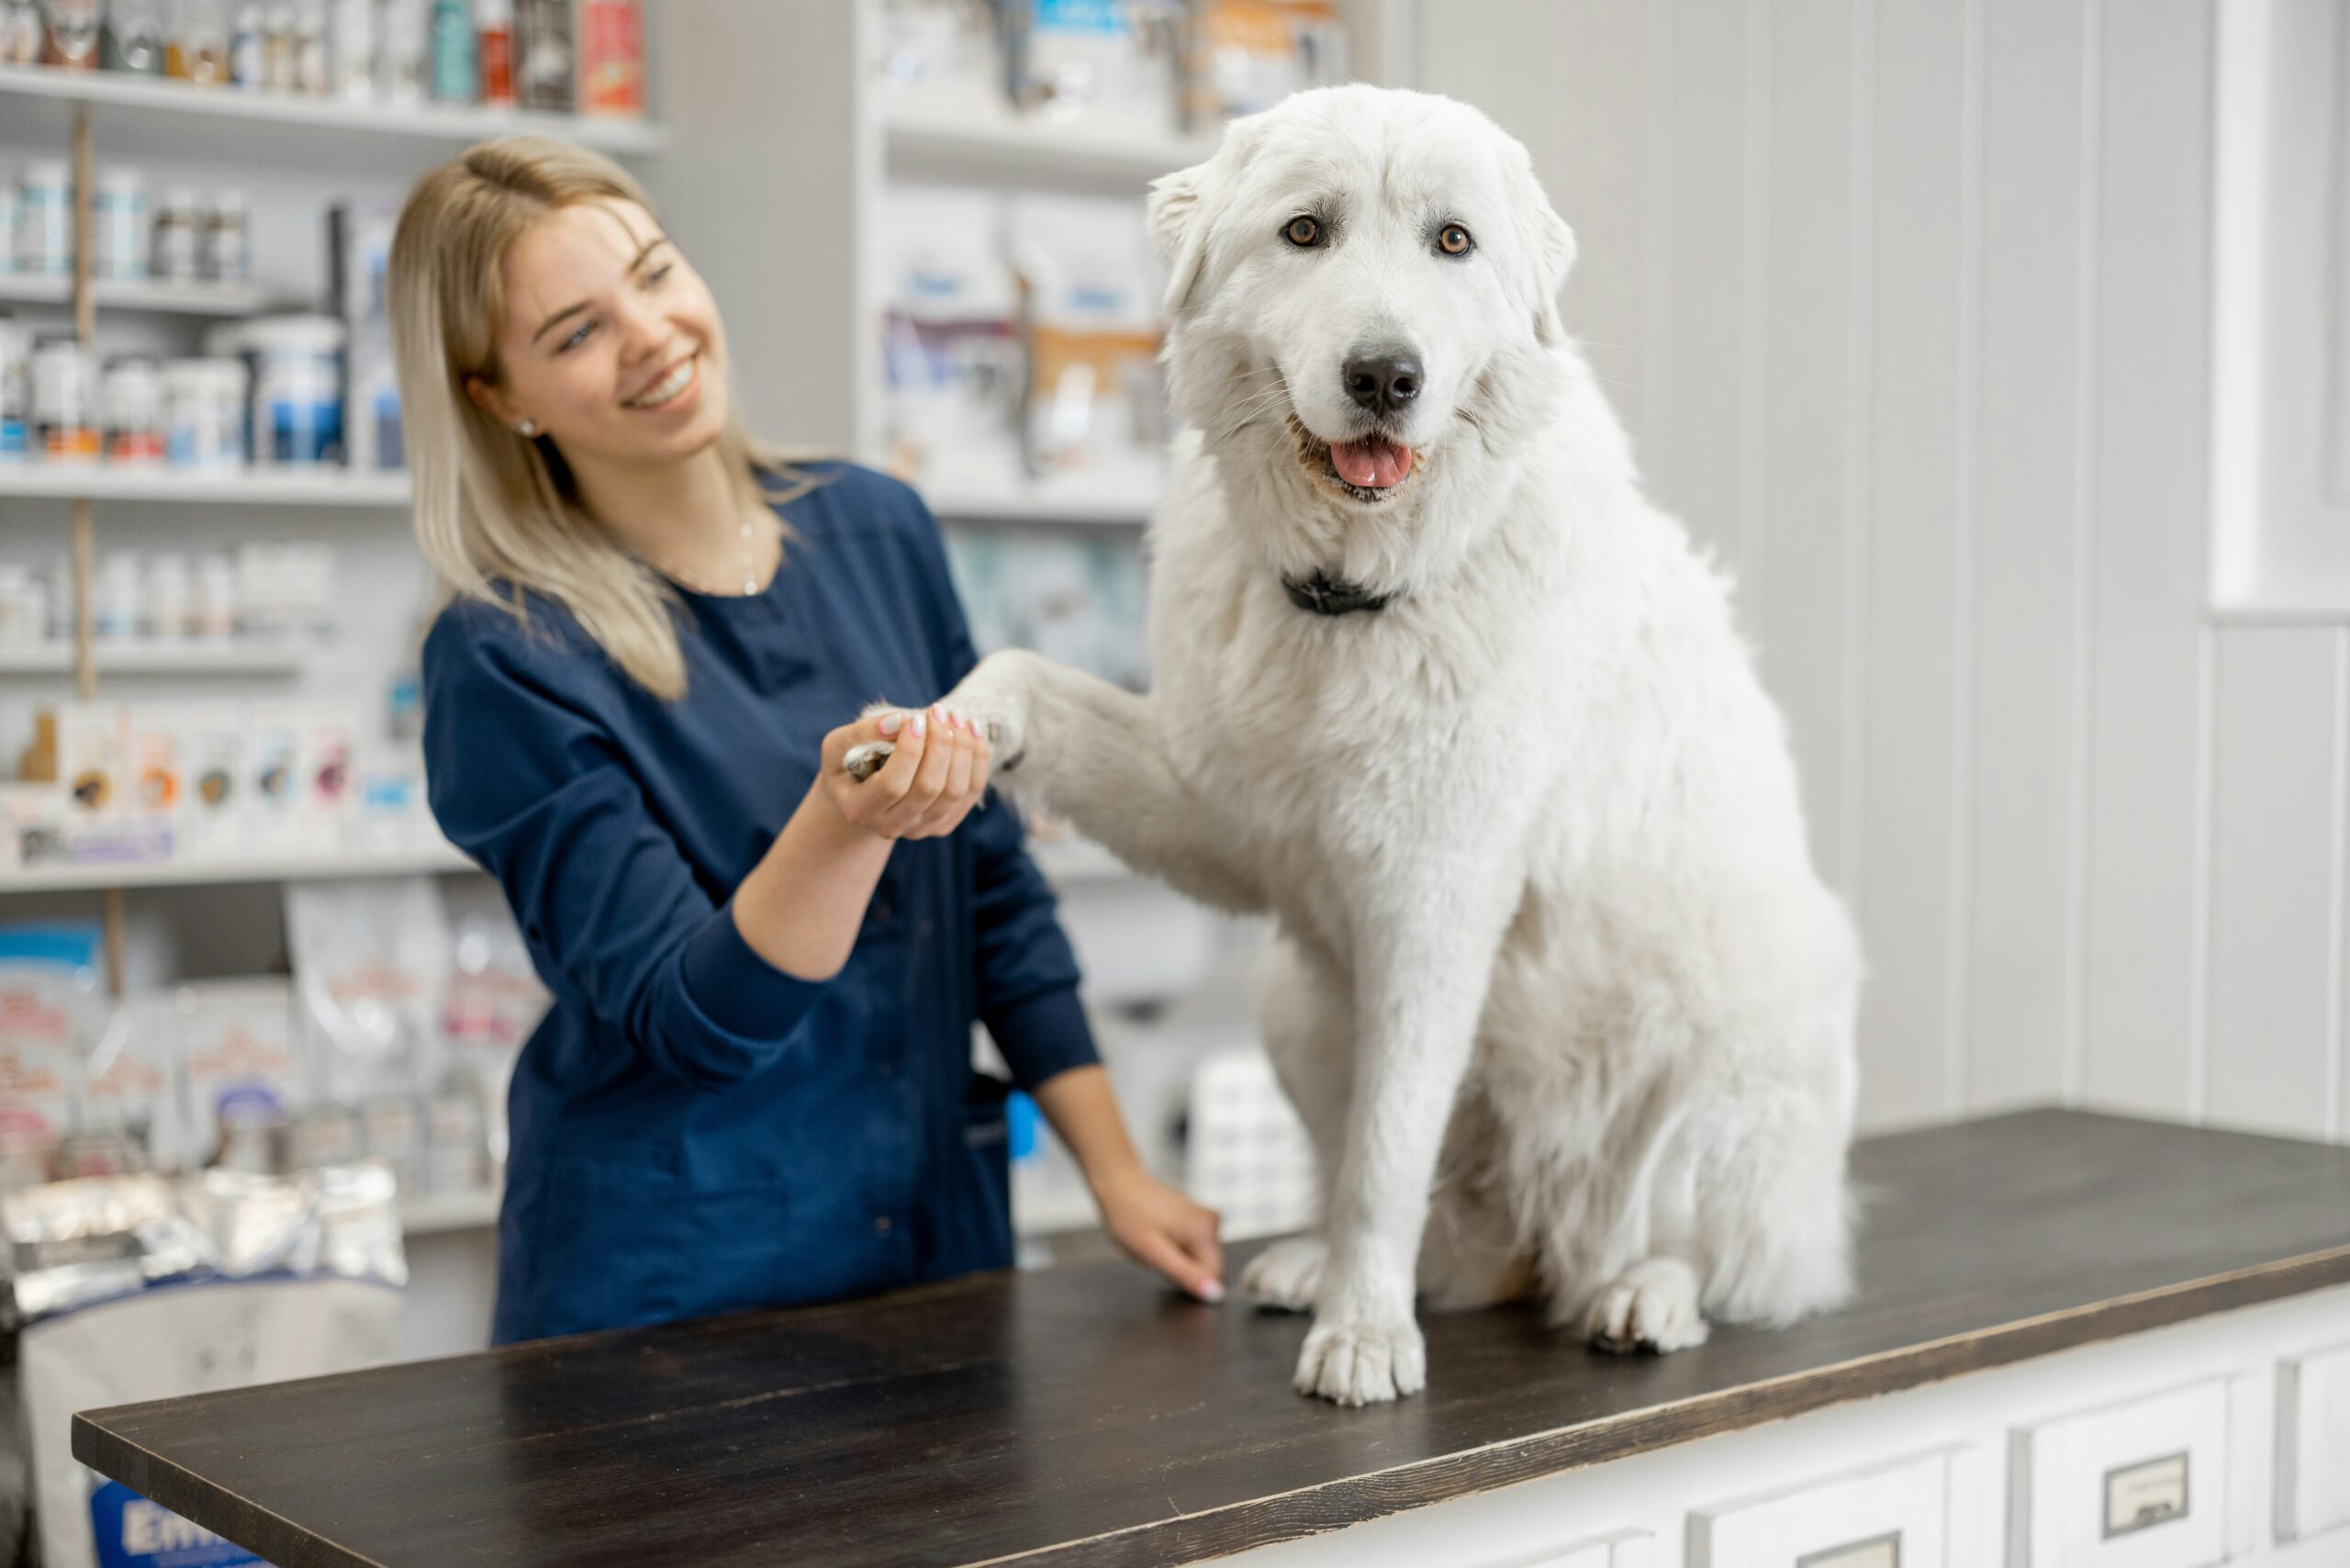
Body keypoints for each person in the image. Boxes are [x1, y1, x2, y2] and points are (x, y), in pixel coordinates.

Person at [388, 136, 1222, 1343]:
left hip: (930, 1247)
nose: (652, 337)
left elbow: (993, 892)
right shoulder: (506, 654)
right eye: (575, 333)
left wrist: (1114, 1170)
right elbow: (692, 1015)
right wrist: (842, 827)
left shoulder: (876, 528)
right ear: (499, 398)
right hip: (671, 1296)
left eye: (657, 274)